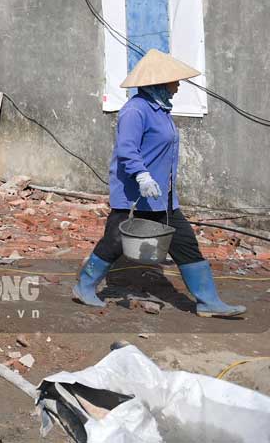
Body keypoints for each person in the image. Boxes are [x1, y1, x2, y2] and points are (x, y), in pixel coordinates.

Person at [73, 50, 245, 318]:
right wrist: (142, 176)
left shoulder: (161, 110)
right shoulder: (135, 111)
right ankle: (84, 286)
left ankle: (208, 301)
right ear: (159, 83)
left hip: (161, 197)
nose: (178, 86)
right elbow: (127, 149)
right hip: (134, 194)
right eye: (174, 81)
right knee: (115, 241)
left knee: (185, 242)